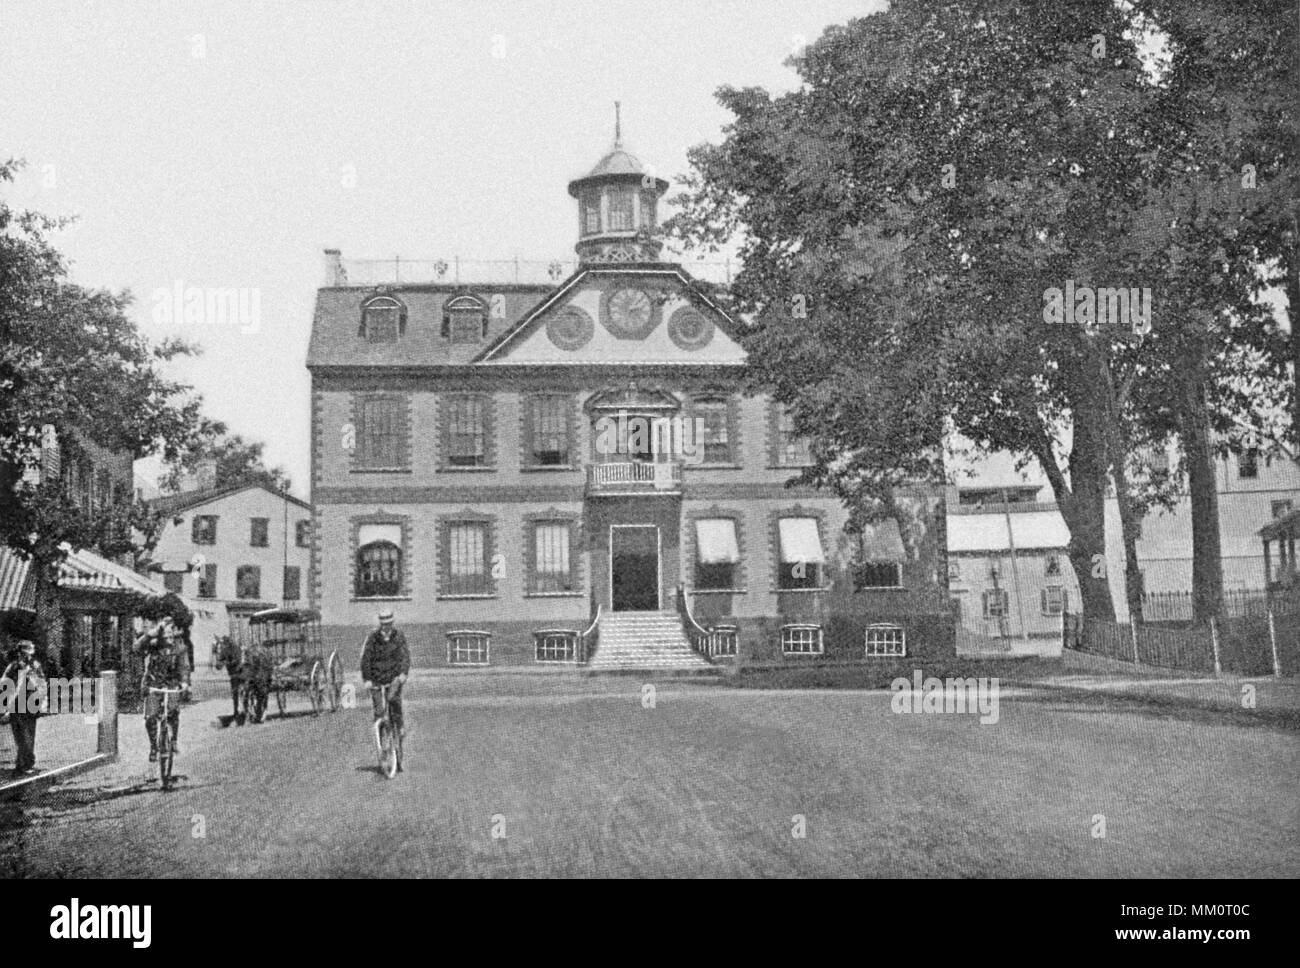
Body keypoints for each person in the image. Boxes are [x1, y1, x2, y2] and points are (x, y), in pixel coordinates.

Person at [139, 618, 190, 763]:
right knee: (150, 716)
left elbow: (184, 667)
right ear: (160, 635)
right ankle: (153, 746)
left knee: (173, 712)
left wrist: (184, 682)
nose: (169, 637)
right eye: (165, 635)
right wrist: (149, 634)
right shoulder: (153, 646)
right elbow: (136, 648)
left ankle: (173, 740)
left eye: (171, 634)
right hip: (154, 684)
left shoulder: (180, 648)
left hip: (172, 685)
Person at [359, 610, 410, 746]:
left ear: (392, 623)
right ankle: (381, 742)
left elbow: (405, 656)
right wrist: (367, 679)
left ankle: (399, 726)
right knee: (379, 711)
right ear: (380, 624)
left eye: (389, 624)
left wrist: (403, 674)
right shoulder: (373, 637)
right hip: (376, 678)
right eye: (384, 624)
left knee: (393, 700)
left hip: (393, 677)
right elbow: (366, 659)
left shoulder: (398, 636)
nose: (386, 627)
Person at [2, 640, 45, 776]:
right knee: (21, 737)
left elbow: (41, 683)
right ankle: (23, 766)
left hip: (31, 706)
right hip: (16, 706)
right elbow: (4, 683)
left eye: (28, 654)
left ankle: (26, 764)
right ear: (19, 653)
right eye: (24, 654)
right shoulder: (13, 667)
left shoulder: (35, 666)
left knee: (29, 736)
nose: (26, 657)